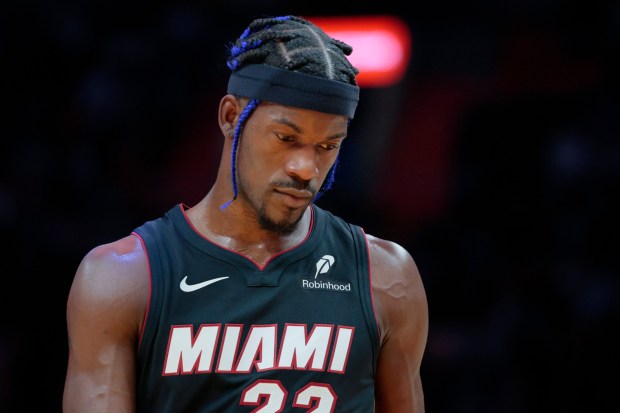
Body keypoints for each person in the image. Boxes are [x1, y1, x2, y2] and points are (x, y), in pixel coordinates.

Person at [63, 15, 429, 412]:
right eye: (286, 138)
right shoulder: (123, 278)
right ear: (231, 117)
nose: (305, 168)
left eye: (327, 146)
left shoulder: (387, 277)